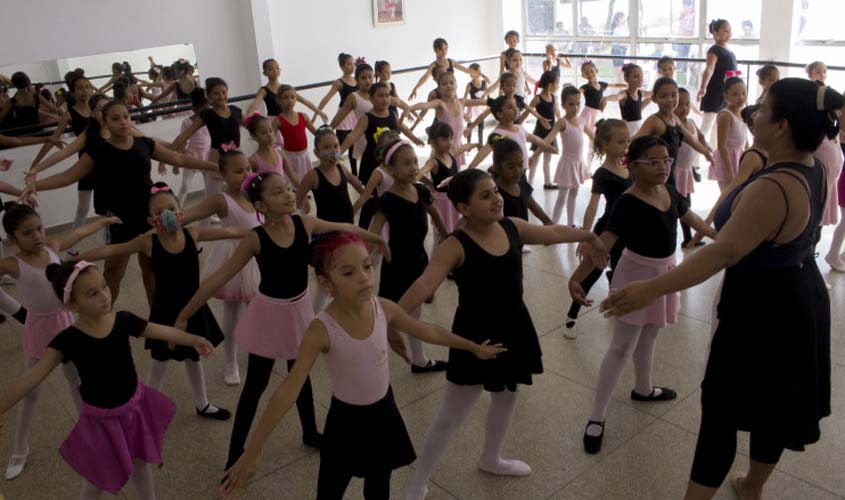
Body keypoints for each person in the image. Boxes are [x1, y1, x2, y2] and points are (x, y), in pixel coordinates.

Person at [601, 78, 837, 500]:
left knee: (722, 414)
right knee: (774, 408)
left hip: (765, 309)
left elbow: (722, 254)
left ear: (781, 125)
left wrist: (649, 289)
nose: (754, 114)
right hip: (800, 293)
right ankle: (752, 487)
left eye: (763, 109)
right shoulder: (813, 167)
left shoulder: (773, 186)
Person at [218, 231, 505, 500]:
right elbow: (290, 387)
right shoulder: (322, 328)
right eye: (348, 272)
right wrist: (252, 451)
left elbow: (427, 330)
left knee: (379, 486)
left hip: (383, 412)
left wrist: (472, 347)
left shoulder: (383, 308)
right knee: (330, 489)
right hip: (346, 422)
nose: (365, 278)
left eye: (367, 266)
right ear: (326, 284)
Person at [400, 169, 607, 500]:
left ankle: (491, 457)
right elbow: (427, 282)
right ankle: (419, 481)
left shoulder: (512, 227)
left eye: (495, 191)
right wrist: (393, 313)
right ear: (464, 209)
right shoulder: (455, 244)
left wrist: (589, 235)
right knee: (452, 413)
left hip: (513, 325)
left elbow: (552, 232)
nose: (497, 198)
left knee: (507, 394)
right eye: (485, 195)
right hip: (474, 334)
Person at [174, 171, 390, 472]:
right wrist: (184, 314)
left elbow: (341, 227)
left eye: (288, 188)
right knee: (255, 386)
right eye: (278, 192)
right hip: (271, 315)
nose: (289, 194)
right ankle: (235, 454)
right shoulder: (255, 238)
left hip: (299, 310)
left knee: (298, 374)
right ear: (261, 207)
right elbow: (219, 277)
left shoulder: (304, 223)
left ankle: (310, 432)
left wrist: (374, 237)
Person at [0, 261, 214, 499]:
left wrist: (193, 339)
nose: (104, 296)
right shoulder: (68, 339)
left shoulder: (122, 320)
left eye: (104, 286)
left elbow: (159, 331)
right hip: (101, 421)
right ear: (72, 304)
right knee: (97, 477)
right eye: (93, 293)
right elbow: (31, 378)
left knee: (140, 463)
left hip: (133, 409)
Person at [569, 135, 716, 455]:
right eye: (653, 161)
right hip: (635, 276)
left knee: (651, 333)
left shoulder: (669, 189)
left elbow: (687, 216)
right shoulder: (628, 201)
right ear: (633, 166)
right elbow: (604, 244)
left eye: (666, 160)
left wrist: (719, 237)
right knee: (621, 346)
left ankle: (643, 388)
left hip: (666, 273)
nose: (663, 166)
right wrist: (576, 279)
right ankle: (597, 416)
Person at [23, 101, 219, 303]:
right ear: (105, 122)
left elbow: (180, 160)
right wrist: (35, 185)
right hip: (117, 218)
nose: (123, 122)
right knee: (113, 272)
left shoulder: (144, 144)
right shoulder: (98, 150)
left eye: (126, 116)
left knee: (151, 269)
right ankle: (106, 312)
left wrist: (213, 166)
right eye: (115, 118)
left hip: (148, 215)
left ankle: (157, 318)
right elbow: (67, 176)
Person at [75, 182, 240, 420]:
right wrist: (76, 259)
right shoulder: (148, 243)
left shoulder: (193, 234)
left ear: (180, 210)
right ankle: (145, 409)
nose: (168, 215)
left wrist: (262, 227)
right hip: (165, 311)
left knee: (194, 357)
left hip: (194, 308)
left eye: (172, 208)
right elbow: (112, 250)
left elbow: (232, 232)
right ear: (152, 221)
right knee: (159, 361)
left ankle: (202, 404)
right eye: (160, 213)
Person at [0, 204, 118, 480]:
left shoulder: (53, 245)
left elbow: (81, 231)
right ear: (13, 238)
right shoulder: (12, 264)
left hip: (66, 324)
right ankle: (19, 449)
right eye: (27, 233)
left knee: (77, 382)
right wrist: (14, 307)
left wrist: (103, 222)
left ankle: (90, 437)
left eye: (39, 228)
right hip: (39, 329)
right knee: (32, 392)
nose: (37, 236)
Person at [181, 151, 260, 385]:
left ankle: (259, 349)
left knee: (259, 308)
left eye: (248, 168)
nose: (246, 174)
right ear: (223, 175)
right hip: (232, 257)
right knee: (232, 311)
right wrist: (167, 217)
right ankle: (230, 360)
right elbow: (190, 215)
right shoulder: (221, 200)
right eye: (238, 171)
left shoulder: (254, 193)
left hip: (258, 255)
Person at [563, 119, 631, 339]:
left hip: (625, 232)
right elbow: (593, 205)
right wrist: (585, 236)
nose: (625, 146)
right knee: (592, 274)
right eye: (620, 142)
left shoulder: (627, 167)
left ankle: (616, 308)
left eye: (627, 141)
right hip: (607, 230)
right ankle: (571, 317)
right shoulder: (602, 173)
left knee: (619, 271)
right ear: (605, 145)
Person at [338, 80, 423, 229]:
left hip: (392, 162)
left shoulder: (391, 114)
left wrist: (414, 138)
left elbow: (401, 127)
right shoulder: (367, 118)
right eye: (380, 96)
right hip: (372, 162)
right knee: (371, 198)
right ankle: (364, 227)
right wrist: (340, 151)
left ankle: (391, 224)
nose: (385, 99)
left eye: (387, 95)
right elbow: (353, 135)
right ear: (371, 98)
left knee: (391, 194)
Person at [406, 72, 486, 166]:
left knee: (456, 172)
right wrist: (409, 108)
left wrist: (492, 102)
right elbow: (425, 105)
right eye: (444, 84)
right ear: (439, 89)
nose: (448, 86)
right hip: (443, 147)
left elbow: (479, 101)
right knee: (444, 172)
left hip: (457, 144)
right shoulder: (439, 103)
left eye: (451, 83)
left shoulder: (461, 101)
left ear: (456, 85)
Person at [419, 122, 478, 241]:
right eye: (444, 139)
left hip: (455, 198)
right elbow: (420, 173)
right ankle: (438, 257)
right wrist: (430, 184)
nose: (450, 142)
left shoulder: (450, 154)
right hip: (442, 203)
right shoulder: (433, 162)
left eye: (451, 138)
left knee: (458, 230)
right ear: (433, 142)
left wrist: (475, 144)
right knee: (442, 236)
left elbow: (463, 148)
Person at [295, 126, 364, 224]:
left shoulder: (342, 169)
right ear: (316, 152)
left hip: (347, 223)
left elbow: (356, 183)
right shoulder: (313, 175)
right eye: (326, 147)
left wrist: (364, 193)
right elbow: (299, 194)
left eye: (336, 146)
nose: (332, 151)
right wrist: (304, 201)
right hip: (327, 229)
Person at [548, 85, 593, 227]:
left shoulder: (581, 120)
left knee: (574, 194)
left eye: (578, 104)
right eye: (571, 104)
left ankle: (570, 224)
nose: (575, 107)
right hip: (567, 164)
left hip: (578, 163)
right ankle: (553, 226)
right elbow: (549, 138)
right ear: (563, 105)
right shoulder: (562, 122)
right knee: (562, 197)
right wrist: (536, 154)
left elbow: (593, 136)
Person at [488, 136, 552, 224]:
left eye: (520, 164)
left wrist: (547, 220)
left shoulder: (522, 184)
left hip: (524, 235)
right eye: (511, 167)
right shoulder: (495, 192)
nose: (518, 171)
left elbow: (533, 205)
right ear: (497, 167)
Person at [675, 88, 711, 247]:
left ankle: (687, 237)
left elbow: (700, 136)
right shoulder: (673, 124)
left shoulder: (690, 122)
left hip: (686, 172)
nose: (684, 107)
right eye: (679, 104)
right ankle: (684, 236)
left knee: (686, 205)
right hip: (675, 172)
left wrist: (707, 147)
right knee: (680, 206)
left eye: (687, 104)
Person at [315, 53, 359, 173]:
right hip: (343, 117)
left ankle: (355, 174)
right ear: (342, 66)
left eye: (353, 64)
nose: (352, 66)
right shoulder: (339, 83)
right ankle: (336, 170)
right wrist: (317, 113)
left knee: (354, 148)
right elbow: (327, 98)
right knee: (340, 147)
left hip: (355, 115)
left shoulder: (358, 80)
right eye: (349, 64)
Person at [408, 38, 488, 100]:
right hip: (442, 94)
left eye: (446, 48)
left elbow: (466, 70)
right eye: (441, 49)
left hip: (453, 92)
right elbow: (425, 77)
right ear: (435, 50)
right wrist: (415, 88)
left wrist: (482, 75)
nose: (444, 51)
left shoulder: (451, 62)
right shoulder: (433, 65)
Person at [697, 19, 738, 142]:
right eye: (725, 30)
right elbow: (709, 69)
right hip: (715, 92)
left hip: (726, 93)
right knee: (707, 125)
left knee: (718, 127)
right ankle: (696, 155)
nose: (728, 33)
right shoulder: (714, 50)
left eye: (729, 30)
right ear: (715, 33)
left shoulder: (728, 50)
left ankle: (715, 157)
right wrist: (703, 87)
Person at [710, 77, 749, 191]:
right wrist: (729, 170)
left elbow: (745, 138)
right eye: (735, 94)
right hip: (727, 159)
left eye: (743, 93)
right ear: (726, 97)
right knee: (728, 195)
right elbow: (721, 146)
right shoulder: (725, 116)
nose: (741, 97)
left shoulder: (743, 112)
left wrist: (749, 153)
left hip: (739, 156)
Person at [527, 71, 561, 189]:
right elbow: (529, 110)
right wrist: (540, 118)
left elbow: (557, 111)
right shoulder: (537, 98)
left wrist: (562, 123)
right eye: (557, 83)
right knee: (535, 158)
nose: (558, 85)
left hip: (551, 131)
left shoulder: (553, 97)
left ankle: (547, 182)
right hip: (540, 131)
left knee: (548, 158)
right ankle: (529, 184)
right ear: (550, 85)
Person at [245, 114, 298, 185]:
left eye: (270, 131)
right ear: (254, 136)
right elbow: (248, 185)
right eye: (263, 133)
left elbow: (294, 178)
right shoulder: (253, 160)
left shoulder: (280, 153)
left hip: (282, 193)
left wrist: (303, 193)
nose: (269, 135)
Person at [616, 63, 653, 135]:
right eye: (636, 77)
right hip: (627, 129)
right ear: (626, 78)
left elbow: (652, 93)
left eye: (641, 76)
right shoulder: (624, 94)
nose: (640, 79)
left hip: (638, 128)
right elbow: (616, 97)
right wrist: (606, 98)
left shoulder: (640, 93)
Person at [463, 63, 488, 144]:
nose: (477, 73)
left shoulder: (484, 83)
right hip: (472, 108)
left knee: (481, 126)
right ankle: (468, 143)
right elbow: (464, 98)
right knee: (470, 125)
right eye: (475, 72)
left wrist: (488, 104)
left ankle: (480, 143)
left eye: (479, 71)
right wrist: (463, 112)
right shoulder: (469, 85)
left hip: (481, 108)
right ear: (470, 74)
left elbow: (488, 94)